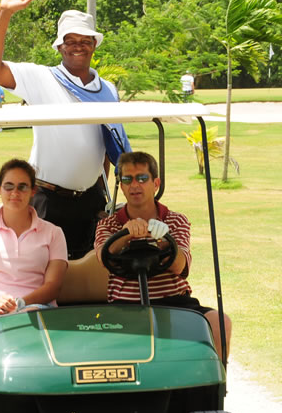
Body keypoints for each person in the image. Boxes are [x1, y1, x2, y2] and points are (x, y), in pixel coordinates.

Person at [0, 0, 130, 260]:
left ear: (94, 46)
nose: (78, 47)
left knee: (91, 279)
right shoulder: (42, 78)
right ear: (60, 47)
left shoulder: (107, 89)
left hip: (91, 202)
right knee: (47, 281)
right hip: (49, 202)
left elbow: (107, 145)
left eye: (85, 41)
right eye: (70, 41)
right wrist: (5, 13)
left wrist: (102, 193)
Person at [94, 151, 232, 362]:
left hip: (174, 302)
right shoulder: (109, 224)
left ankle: (213, 387)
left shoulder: (176, 221)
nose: (134, 185)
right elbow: (103, 257)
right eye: (127, 180)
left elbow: (180, 266)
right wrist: (126, 235)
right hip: (124, 304)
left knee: (219, 321)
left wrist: (163, 240)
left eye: (142, 178)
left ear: (155, 183)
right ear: (121, 185)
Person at [0, 158, 68, 376]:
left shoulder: (53, 233)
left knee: (29, 318)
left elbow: (53, 286)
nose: (14, 193)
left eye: (22, 187)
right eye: (8, 186)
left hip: (36, 304)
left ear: (33, 191)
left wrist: (20, 302)